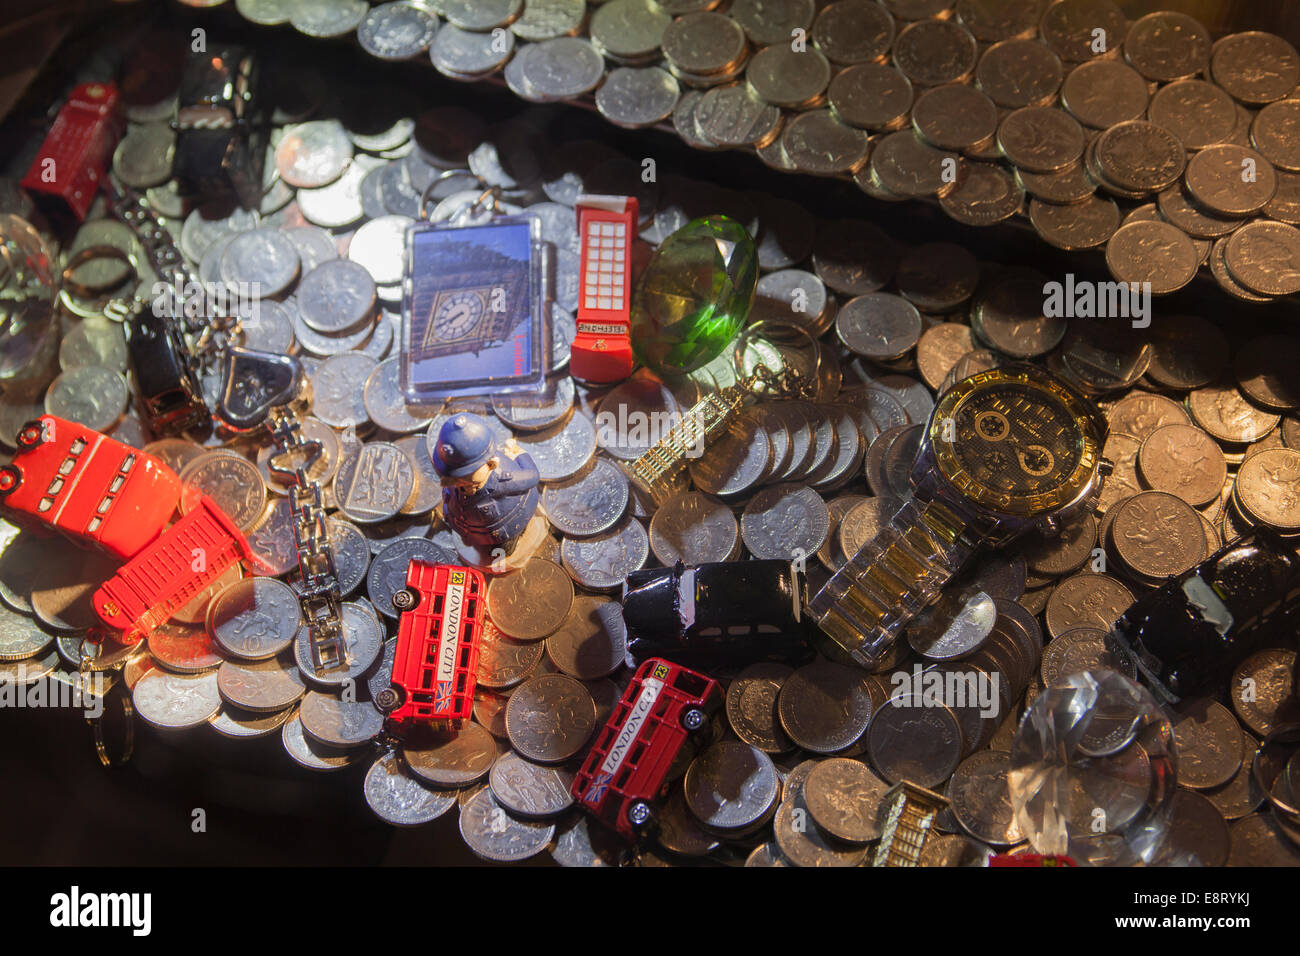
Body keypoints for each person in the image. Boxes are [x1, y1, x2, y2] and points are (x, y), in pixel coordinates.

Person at [430, 412, 540, 553]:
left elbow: (532, 476)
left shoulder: (505, 480)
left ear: (491, 464)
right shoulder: (453, 482)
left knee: (503, 546)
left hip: (504, 527)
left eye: (466, 475)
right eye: (453, 477)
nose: (457, 482)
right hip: (465, 525)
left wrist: (520, 454)